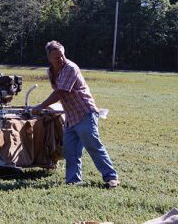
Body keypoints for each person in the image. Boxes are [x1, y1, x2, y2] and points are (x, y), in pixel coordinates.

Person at [32, 40, 120, 188]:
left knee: (93, 146)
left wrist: (41, 106)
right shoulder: (51, 72)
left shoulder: (70, 68)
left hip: (85, 113)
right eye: (56, 57)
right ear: (49, 59)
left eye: (61, 55)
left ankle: (111, 177)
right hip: (70, 117)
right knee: (70, 151)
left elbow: (60, 92)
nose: (60, 59)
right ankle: (73, 180)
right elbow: (59, 91)